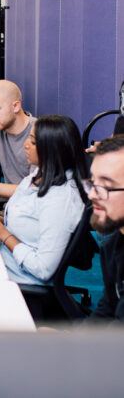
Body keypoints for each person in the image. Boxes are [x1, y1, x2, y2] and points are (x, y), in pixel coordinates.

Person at [0, 115, 87, 286]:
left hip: (20, 282)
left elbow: (43, 269)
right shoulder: (36, 176)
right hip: (3, 262)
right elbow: (29, 223)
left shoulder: (60, 200)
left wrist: (0, 231)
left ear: (52, 149)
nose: (25, 145)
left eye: (33, 142)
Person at [84, 135, 124, 322]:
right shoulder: (113, 246)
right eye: (92, 183)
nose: (92, 194)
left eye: (106, 186)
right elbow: (107, 309)